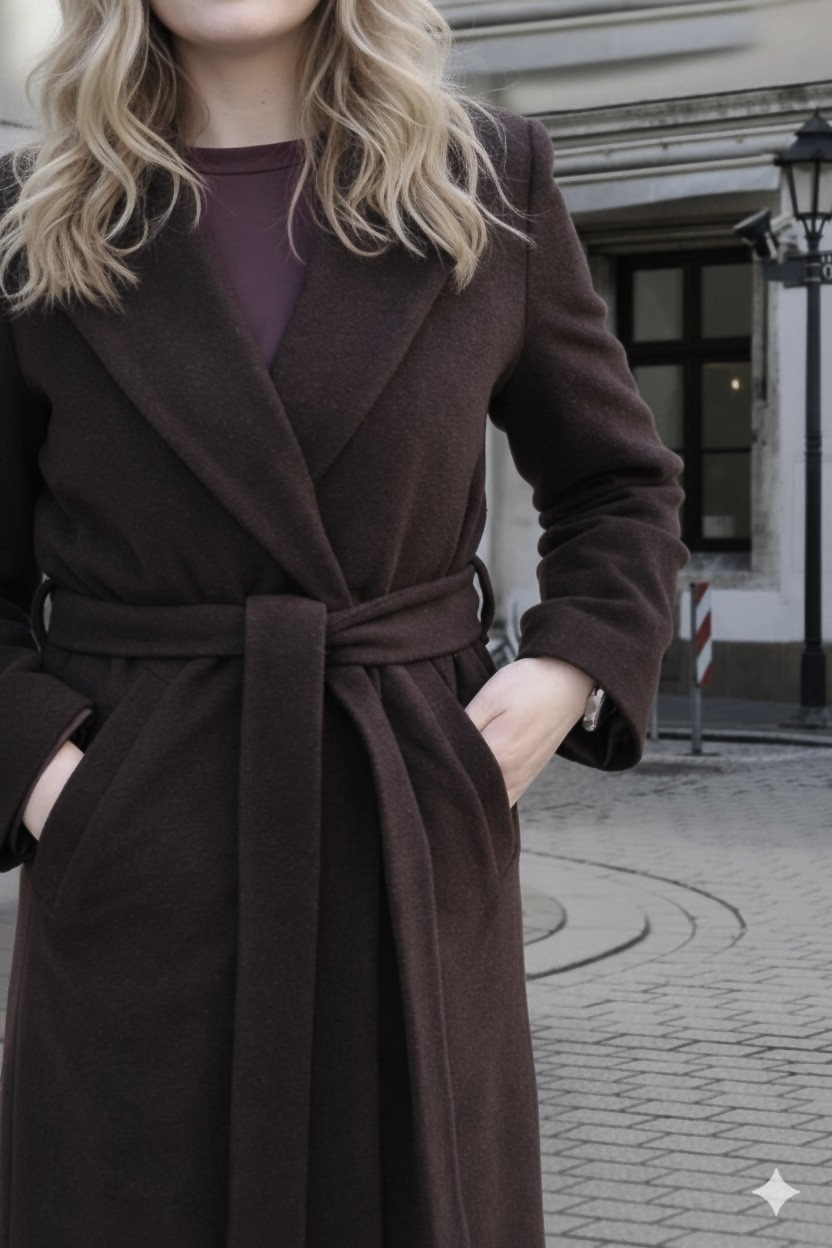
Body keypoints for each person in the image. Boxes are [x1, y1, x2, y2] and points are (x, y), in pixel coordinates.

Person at [0, 0, 689, 1244]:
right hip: (138, 840)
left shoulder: (486, 181)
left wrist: (564, 675)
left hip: (404, 813)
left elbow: (617, 486)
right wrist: (57, 781)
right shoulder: (34, 213)